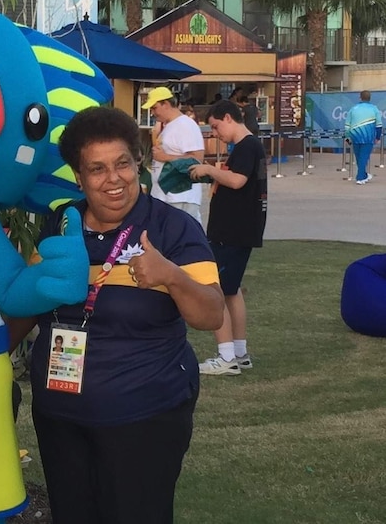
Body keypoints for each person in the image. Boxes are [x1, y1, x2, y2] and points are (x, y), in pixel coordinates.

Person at [15, 106, 223, 523]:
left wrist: (172, 276)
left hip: (142, 417)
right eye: (97, 169)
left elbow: (212, 314)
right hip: (61, 417)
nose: (113, 179)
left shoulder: (171, 228)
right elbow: (34, 298)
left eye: (122, 164)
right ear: (79, 176)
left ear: (138, 163)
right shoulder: (61, 223)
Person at [189, 100, 268, 375]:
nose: (215, 133)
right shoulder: (247, 148)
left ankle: (226, 358)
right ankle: (239, 351)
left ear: (228, 118)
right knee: (232, 290)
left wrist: (210, 170)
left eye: (215, 126)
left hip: (232, 232)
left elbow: (237, 181)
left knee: (217, 291)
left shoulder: (247, 145)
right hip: (238, 230)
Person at [143, 87, 206, 224]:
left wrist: (166, 157)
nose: (153, 113)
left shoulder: (185, 125)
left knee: (181, 237)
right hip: (168, 196)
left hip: (180, 196)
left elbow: (196, 159)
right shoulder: (171, 125)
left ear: (166, 104)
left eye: (154, 108)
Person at [345, 90, 383, 185]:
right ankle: (360, 177)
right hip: (368, 137)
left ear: (360, 97)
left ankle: (364, 175)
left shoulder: (353, 109)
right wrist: (378, 137)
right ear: (370, 98)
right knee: (363, 157)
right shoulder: (374, 109)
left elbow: (347, 125)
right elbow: (379, 125)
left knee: (359, 157)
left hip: (355, 136)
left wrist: (347, 137)